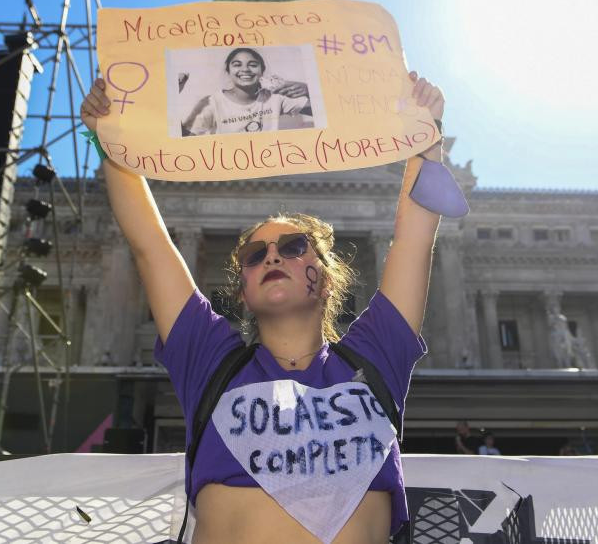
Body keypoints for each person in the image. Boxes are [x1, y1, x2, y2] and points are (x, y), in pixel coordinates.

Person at [81, 70, 446, 543]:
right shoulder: (209, 359)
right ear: (242, 291)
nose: (272, 255)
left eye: (293, 247)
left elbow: (415, 240)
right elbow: (150, 243)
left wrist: (425, 138)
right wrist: (109, 137)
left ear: (329, 277)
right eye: (255, 255)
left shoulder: (376, 357)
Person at [182, 47, 312, 136]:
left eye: (253, 65)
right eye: (237, 65)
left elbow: (319, 112)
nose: (245, 69)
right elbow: (186, 141)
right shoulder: (211, 103)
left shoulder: (275, 98)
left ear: (262, 70)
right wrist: (173, 92)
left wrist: (309, 90)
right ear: (228, 71)